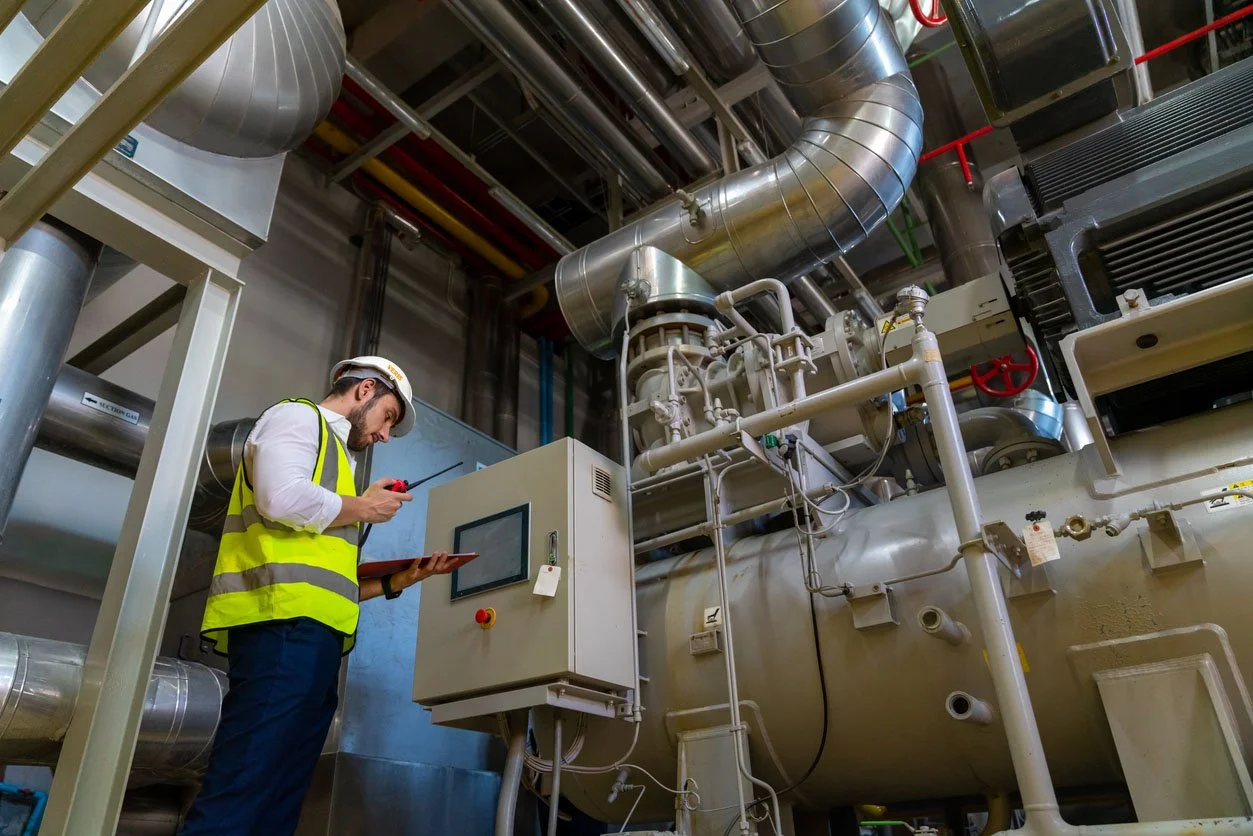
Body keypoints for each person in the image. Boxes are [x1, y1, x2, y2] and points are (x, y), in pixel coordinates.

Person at [179, 356, 455, 836]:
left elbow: (324, 578)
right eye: (388, 417)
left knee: (279, 796)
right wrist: (363, 506)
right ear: (365, 390)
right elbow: (280, 497)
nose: (384, 435)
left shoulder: (341, 469)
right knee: (244, 786)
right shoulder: (297, 417)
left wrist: (398, 581)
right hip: (280, 630)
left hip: (313, 641)